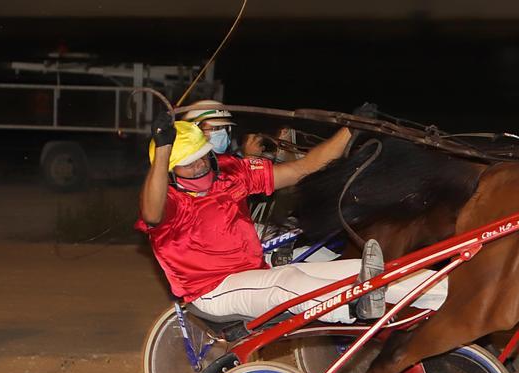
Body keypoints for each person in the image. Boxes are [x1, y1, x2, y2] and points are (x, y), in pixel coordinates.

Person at [136, 112, 446, 325]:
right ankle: (353, 306)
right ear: (169, 170)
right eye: (187, 164)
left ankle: (447, 295)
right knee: (289, 281)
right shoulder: (168, 200)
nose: (199, 166)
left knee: (354, 268)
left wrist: (350, 128)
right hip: (212, 290)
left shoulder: (232, 171)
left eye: (201, 156)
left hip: (255, 274)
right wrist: (162, 151)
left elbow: (302, 168)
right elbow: (151, 213)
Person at [182, 99, 268, 158]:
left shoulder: (230, 156)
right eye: (216, 128)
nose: (222, 132)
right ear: (194, 130)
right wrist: (250, 158)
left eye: (225, 128)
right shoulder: (188, 163)